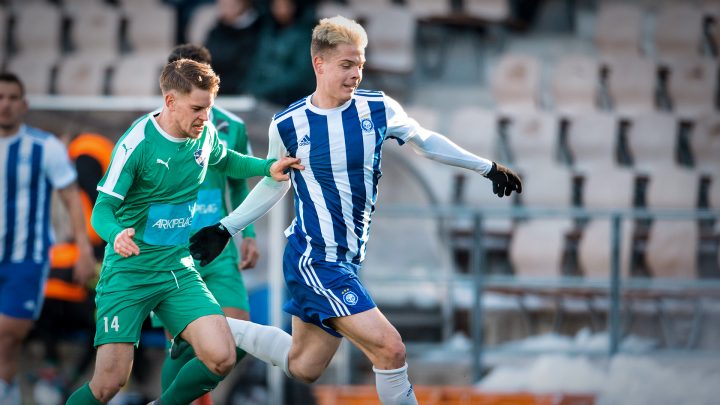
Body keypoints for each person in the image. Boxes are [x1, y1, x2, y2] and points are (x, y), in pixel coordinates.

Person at [189, 16, 522, 405]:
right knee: (391, 349)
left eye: (360, 65)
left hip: (345, 261)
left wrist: (487, 167)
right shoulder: (289, 124)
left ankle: (201, 325)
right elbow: (273, 183)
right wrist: (226, 228)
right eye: (347, 65)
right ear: (320, 64)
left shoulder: (378, 109)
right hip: (315, 259)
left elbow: (425, 141)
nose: (355, 75)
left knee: (304, 366)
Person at [65, 59, 302, 405]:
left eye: (208, 108)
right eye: (197, 108)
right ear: (171, 101)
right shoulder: (137, 144)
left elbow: (226, 160)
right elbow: (103, 209)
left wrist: (268, 167)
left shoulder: (204, 134)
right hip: (129, 275)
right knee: (109, 384)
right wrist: (116, 234)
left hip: (177, 270)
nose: (206, 117)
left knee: (222, 356)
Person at [154, 43, 261, 405]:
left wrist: (248, 232)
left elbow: (236, 179)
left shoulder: (232, 127)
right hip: (171, 249)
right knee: (189, 344)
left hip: (217, 246)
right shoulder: (151, 130)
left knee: (238, 337)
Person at [0, 72, 96, 405]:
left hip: (26, 258)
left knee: (8, 339)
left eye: (13, 98)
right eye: (0, 97)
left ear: (24, 104)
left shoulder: (45, 148)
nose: (6, 105)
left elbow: (72, 198)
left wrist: (84, 250)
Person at [245, 0, 315, 105]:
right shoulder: (267, 31)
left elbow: (299, 74)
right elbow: (258, 64)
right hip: (264, 97)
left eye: (286, 5)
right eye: (277, 6)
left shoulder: (305, 35)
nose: (282, 11)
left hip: (293, 99)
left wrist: (264, 89)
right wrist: (249, 87)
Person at [204, 0, 264, 95]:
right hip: (212, 88)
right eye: (222, 4)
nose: (224, 9)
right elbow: (204, 59)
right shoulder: (217, 29)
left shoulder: (254, 31)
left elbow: (245, 71)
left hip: (236, 93)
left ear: (243, 5)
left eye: (230, 5)